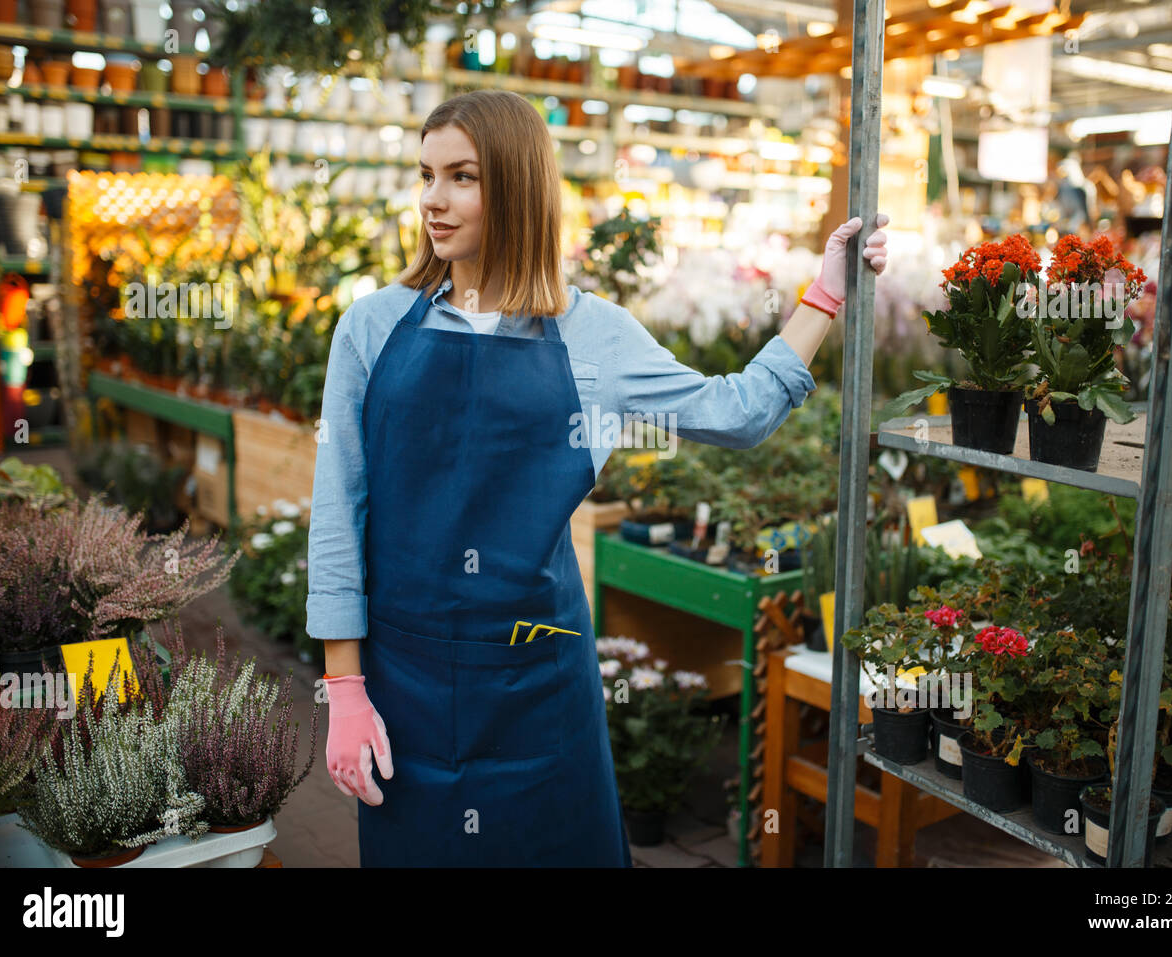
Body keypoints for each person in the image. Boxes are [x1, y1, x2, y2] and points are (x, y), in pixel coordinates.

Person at [305, 89, 889, 867]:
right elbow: (339, 506)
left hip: (539, 685)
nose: (432, 202)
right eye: (426, 175)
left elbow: (740, 411)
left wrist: (826, 292)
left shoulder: (593, 337)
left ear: (516, 188)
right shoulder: (373, 327)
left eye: (462, 178)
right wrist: (343, 686)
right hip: (404, 682)